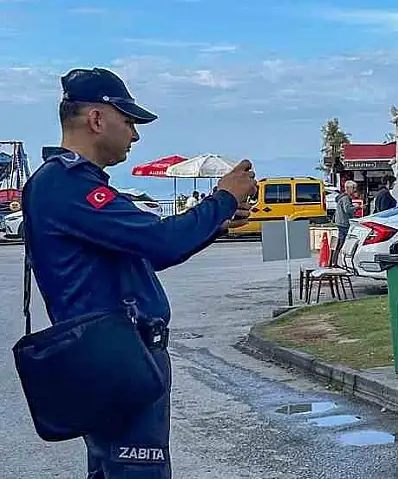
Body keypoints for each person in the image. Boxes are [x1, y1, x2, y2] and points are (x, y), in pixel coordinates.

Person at [21, 67, 257, 479]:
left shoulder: (72, 184)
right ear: (97, 119)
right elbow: (160, 241)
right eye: (128, 121)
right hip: (116, 358)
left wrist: (215, 224)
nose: (135, 134)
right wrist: (222, 198)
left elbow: (149, 254)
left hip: (117, 357)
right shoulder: (66, 184)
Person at [333, 180, 358, 254]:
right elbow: (347, 210)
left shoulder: (342, 197)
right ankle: (336, 260)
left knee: (341, 241)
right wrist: (357, 207)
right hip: (344, 222)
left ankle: (334, 260)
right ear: (348, 188)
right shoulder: (345, 198)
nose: (355, 190)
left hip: (340, 221)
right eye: (353, 188)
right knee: (343, 242)